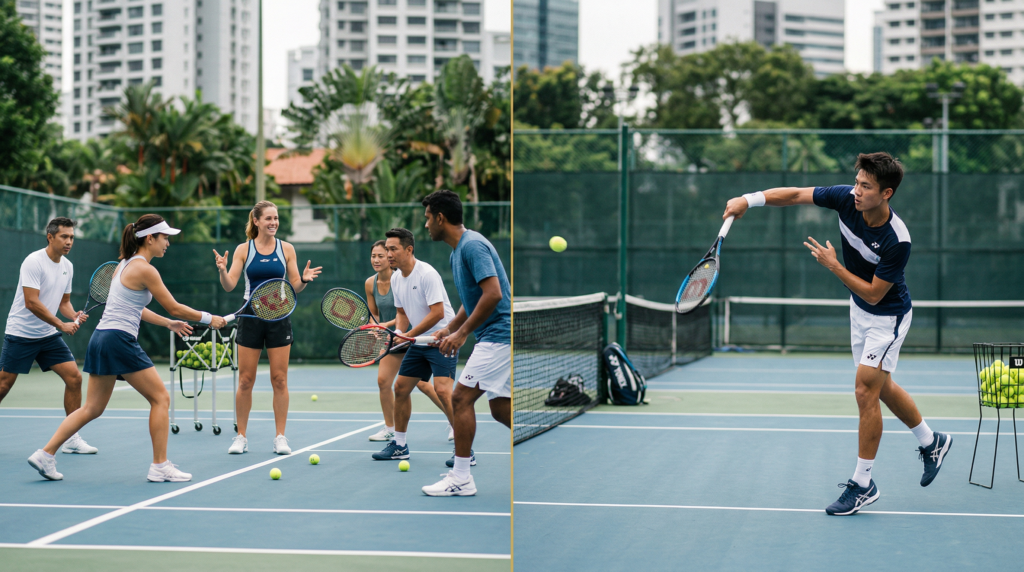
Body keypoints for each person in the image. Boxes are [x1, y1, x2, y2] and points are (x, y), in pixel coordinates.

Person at [722, 152, 951, 516]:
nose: (857, 191)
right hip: (859, 311)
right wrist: (748, 200)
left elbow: (874, 294)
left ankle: (863, 484)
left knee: (864, 390)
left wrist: (834, 266)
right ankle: (931, 441)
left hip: (887, 316)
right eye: (857, 182)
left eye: (866, 186)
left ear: (887, 193)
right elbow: (795, 195)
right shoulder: (845, 198)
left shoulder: (897, 240)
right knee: (881, 386)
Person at [27, 215, 227, 482]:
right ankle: (160, 466)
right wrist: (209, 318)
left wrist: (168, 323)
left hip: (101, 338)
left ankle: (45, 454)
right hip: (118, 340)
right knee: (161, 399)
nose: (168, 243)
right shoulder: (145, 269)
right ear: (150, 238)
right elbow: (175, 306)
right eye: (164, 237)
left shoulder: (124, 264)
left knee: (92, 408)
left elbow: (136, 307)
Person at [213, 200, 321, 455]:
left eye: (276, 218)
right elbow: (229, 285)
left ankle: (280, 437)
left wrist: (304, 280)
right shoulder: (244, 249)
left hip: (279, 315)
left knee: (279, 379)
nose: (274, 222)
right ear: (257, 221)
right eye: (269, 218)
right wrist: (222, 271)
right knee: (245, 380)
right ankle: (241, 436)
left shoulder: (287, 249)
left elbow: (295, 285)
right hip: (250, 316)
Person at [423, 190, 512, 497]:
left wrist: (461, 334)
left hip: (499, 335)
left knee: (460, 398)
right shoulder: (457, 252)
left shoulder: (472, 246)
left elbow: (493, 294)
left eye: (427, 218)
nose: (426, 225)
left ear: (440, 218)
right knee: (500, 409)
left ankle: (461, 478)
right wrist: (449, 327)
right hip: (495, 336)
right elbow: (472, 299)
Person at [1, 217, 96, 454]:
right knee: (4, 385)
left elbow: (63, 303)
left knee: (74, 378)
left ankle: (71, 438)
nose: (69, 241)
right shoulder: (33, 261)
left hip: (47, 335)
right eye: (64, 236)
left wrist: (73, 314)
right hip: (21, 333)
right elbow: (31, 302)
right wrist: (61, 324)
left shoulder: (68, 266)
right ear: (50, 237)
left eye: (72, 237)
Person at [371, 228, 457, 462]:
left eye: (393, 249)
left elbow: (438, 313)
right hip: (419, 342)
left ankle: (464, 450)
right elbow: (401, 312)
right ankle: (399, 445)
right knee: (401, 388)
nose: (389, 254)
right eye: (387, 249)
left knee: (443, 391)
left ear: (408, 250)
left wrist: (408, 334)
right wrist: (400, 332)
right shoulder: (397, 278)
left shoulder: (427, 274)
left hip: (442, 340)